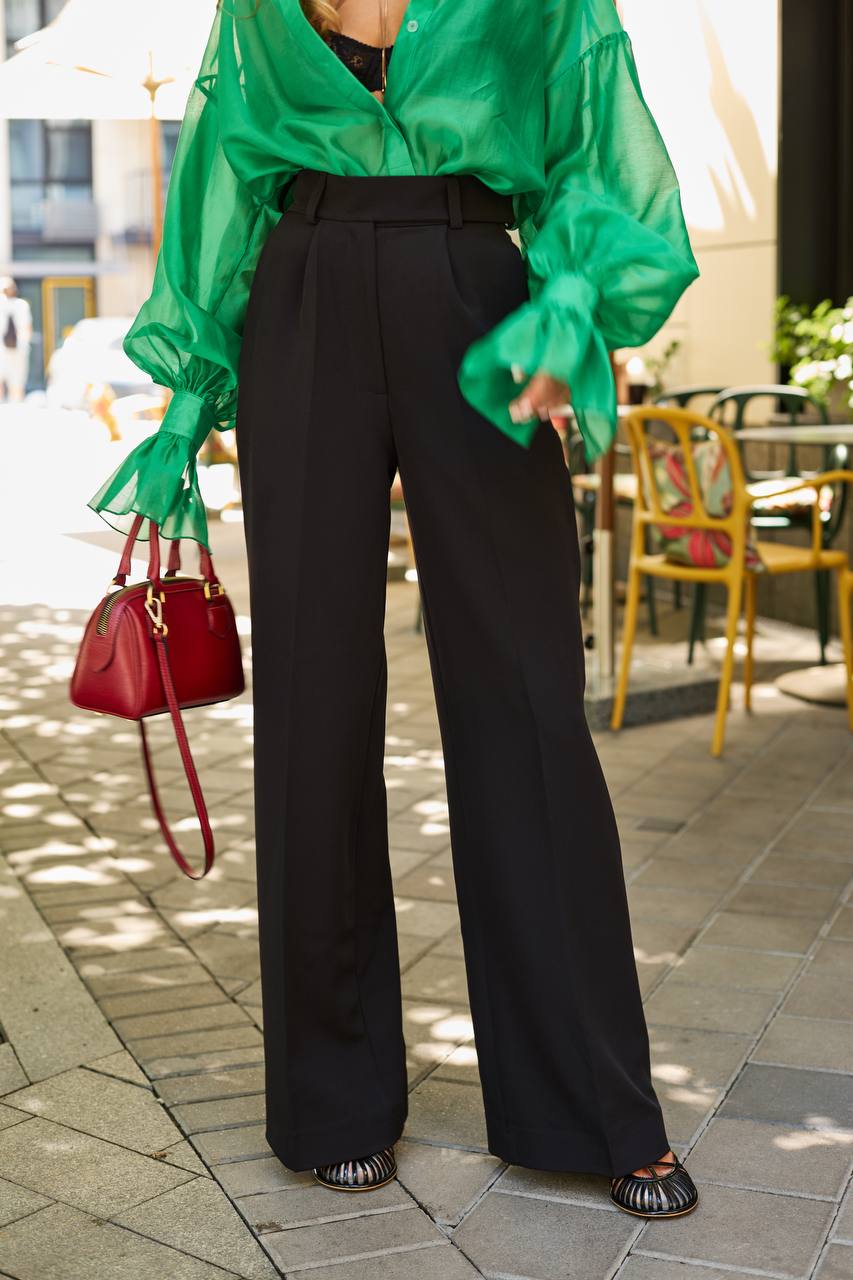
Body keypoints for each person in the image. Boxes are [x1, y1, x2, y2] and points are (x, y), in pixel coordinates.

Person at [88, 0, 701, 1219]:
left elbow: (594, 140)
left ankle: (585, 1099)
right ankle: (333, 1098)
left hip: (477, 281)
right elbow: (227, 167)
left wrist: (571, 303)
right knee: (313, 696)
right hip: (300, 294)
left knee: (524, 695)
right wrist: (185, 397)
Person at [0, 277, 33, 403]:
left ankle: (16, 408)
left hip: (18, 350)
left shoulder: (21, 305)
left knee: (17, 382)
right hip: (2, 350)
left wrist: (24, 342)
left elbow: (27, 328)